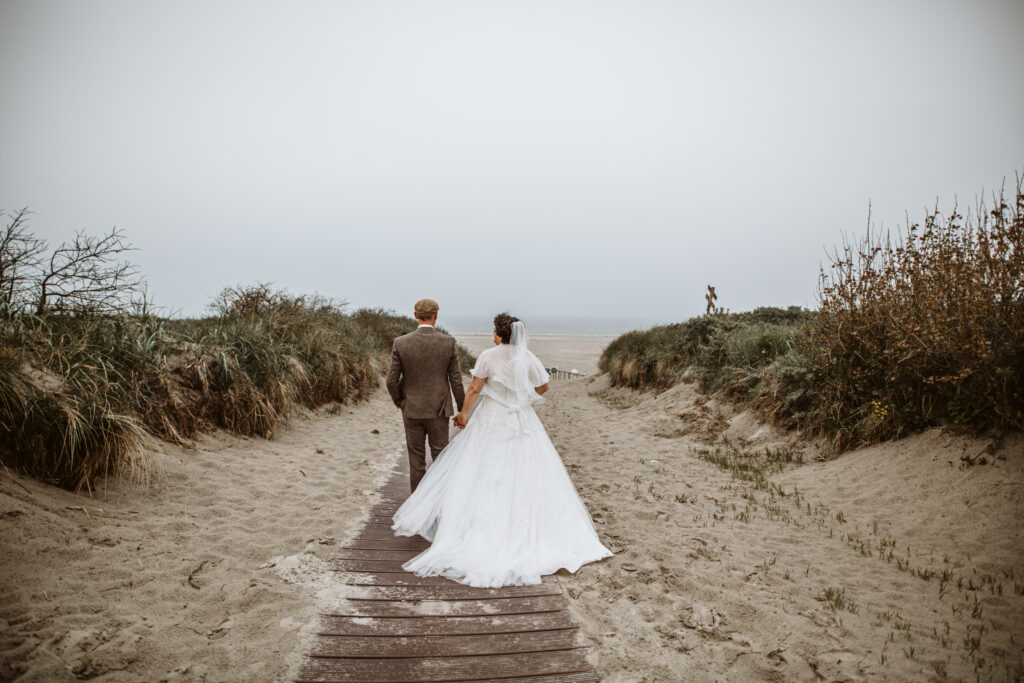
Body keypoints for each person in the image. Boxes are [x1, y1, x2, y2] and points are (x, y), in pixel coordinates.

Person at [392, 312, 612, 588]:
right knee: (526, 468)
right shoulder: (527, 357)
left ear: (499, 333)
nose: (491, 334)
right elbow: (543, 385)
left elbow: (474, 388)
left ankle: (475, 529)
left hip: (492, 418)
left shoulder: (488, 356)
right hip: (520, 418)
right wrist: (520, 397)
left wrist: (463, 416)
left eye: (493, 330)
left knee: (483, 469)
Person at [386, 299, 466, 493]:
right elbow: (456, 380)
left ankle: (416, 505)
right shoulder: (448, 342)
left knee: (416, 460)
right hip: (439, 410)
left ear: (415, 315)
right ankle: (437, 504)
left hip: (411, 409)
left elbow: (391, 381)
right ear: (436, 316)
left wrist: (401, 402)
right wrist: (463, 410)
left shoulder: (401, 343)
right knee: (440, 457)